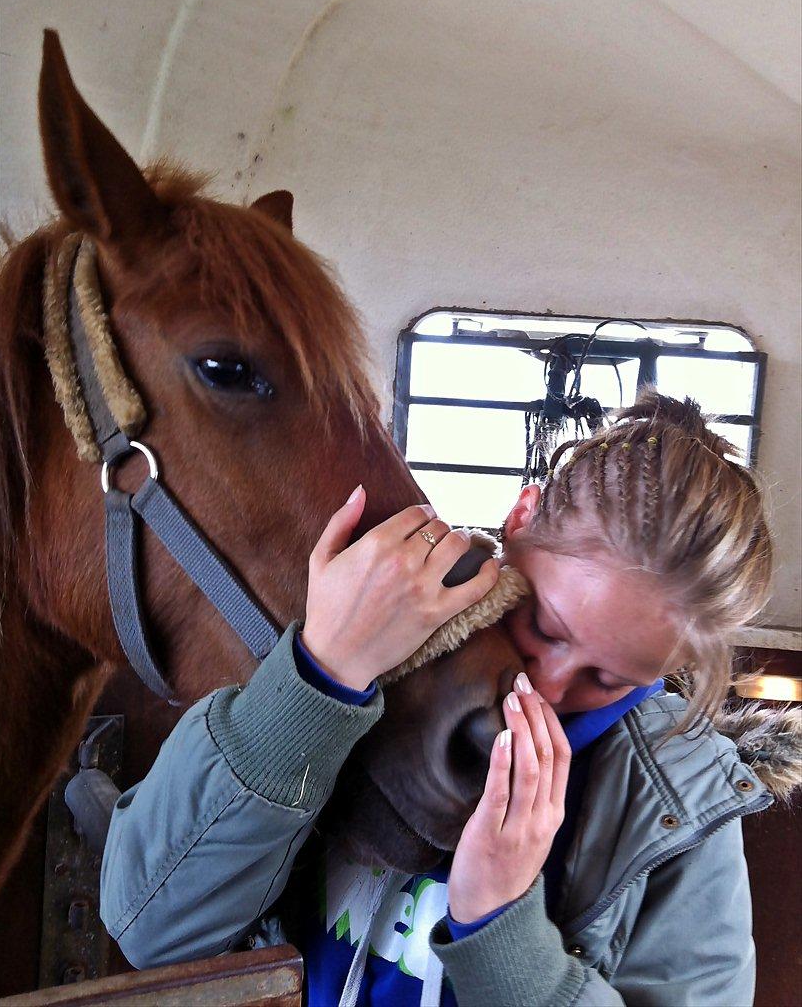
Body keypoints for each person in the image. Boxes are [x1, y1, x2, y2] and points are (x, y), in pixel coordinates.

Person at [100, 392, 780, 1006]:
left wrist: (501, 924)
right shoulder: (381, 646)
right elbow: (150, 927)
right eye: (543, 626)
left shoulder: (681, 802)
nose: (548, 687)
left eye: (608, 679)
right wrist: (316, 681)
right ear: (522, 517)